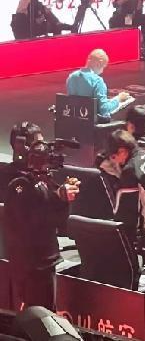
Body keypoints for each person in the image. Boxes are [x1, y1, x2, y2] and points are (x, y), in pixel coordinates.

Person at [4, 123, 80, 311]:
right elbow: (31, 222)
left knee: (47, 310)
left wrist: (63, 198)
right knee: (38, 315)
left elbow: (59, 221)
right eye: (38, 146)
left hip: (45, 260)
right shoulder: (18, 184)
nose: (44, 150)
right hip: (32, 265)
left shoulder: (41, 181)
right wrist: (56, 196)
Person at [66, 49, 131, 121]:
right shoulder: (97, 81)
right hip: (92, 122)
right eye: (103, 67)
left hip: (75, 119)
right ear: (98, 64)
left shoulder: (71, 77)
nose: (102, 71)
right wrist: (118, 99)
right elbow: (104, 109)